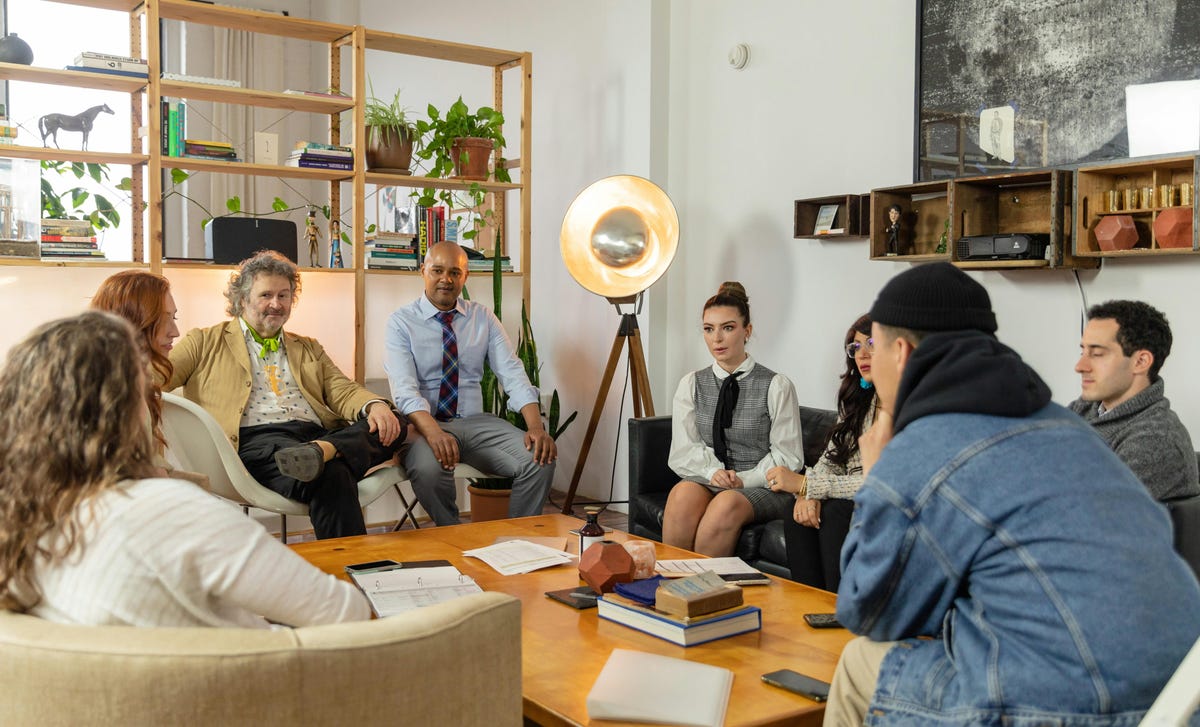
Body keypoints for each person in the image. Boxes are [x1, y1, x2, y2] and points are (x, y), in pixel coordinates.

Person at [827, 263, 1200, 726]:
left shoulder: (926, 449)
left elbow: (867, 609)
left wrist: (877, 476)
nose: (867, 359)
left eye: (874, 345)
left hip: (1078, 709)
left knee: (861, 660)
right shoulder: (1065, 424)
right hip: (1179, 697)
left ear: (900, 352)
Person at [0, 311, 369, 627]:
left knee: (374, 430)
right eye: (143, 386)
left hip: (150, 673)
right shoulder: (180, 513)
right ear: (124, 408)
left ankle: (332, 449)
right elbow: (345, 613)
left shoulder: (21, 520)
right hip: (261, 677)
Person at [168, 251, 406, 540]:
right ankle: (330, 456)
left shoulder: (307, 347)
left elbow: (342, 389)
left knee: (395, 420)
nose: (276, 304)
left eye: (284, 295)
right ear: (242, 299)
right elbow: (155, 379)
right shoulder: (203, 341)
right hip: (259, 443)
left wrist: (374, 405)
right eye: (266, 295)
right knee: (333, 475)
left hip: (313, 436)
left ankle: (324, 450)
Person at [384, 241, 555, 525]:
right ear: (423, 270)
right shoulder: (401, 322)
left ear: (465, 276)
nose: (446, 279)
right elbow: (404, 390)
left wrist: (536, 427)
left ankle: (518, 540)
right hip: (424, 426)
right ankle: (454, 537)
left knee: (539, 457)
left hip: (477, 424)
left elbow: (512, 372)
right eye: (437, 270)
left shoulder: (482, 317)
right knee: (428, 470)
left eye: (455, 272)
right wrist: (435, 433)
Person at [662, 282, 803, 557]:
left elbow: (788, 456)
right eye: (708, 329)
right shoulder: (691, 384)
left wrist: (742, 480)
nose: (717, 338)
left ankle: (705, 584)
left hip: (763, 486)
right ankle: (673, 581)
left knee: (725, 504)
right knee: (681, 496)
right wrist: (711, 473)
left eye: (727, 328)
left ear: (747, 331)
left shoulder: (777, 385)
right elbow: (683, 450)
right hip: (711, 477)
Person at [768, 314, 878, 592]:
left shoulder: (904, 406)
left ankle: (838, 608)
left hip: (878, 504)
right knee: (796, 513)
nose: (862, 354)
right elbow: (830, 459)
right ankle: (808, 606)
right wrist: (807, 494)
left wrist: (808, 485)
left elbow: (880, 483)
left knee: (836, 512)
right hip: (845, 496)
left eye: (872, 344)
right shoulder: (858, 403)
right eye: (855, 347)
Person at [1069, 300, 1198, 501]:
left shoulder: (1156, 441)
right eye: (1082, 352)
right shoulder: (1082, 409)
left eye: (1097, 354)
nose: (1080, 366)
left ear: (1140, 361)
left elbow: (1083, 510)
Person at [90, 270, 180, 459]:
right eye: (163, 319)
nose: (175, 332)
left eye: (174, 318)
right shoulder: (115, 391)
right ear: (131, 321)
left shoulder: (126, 375)